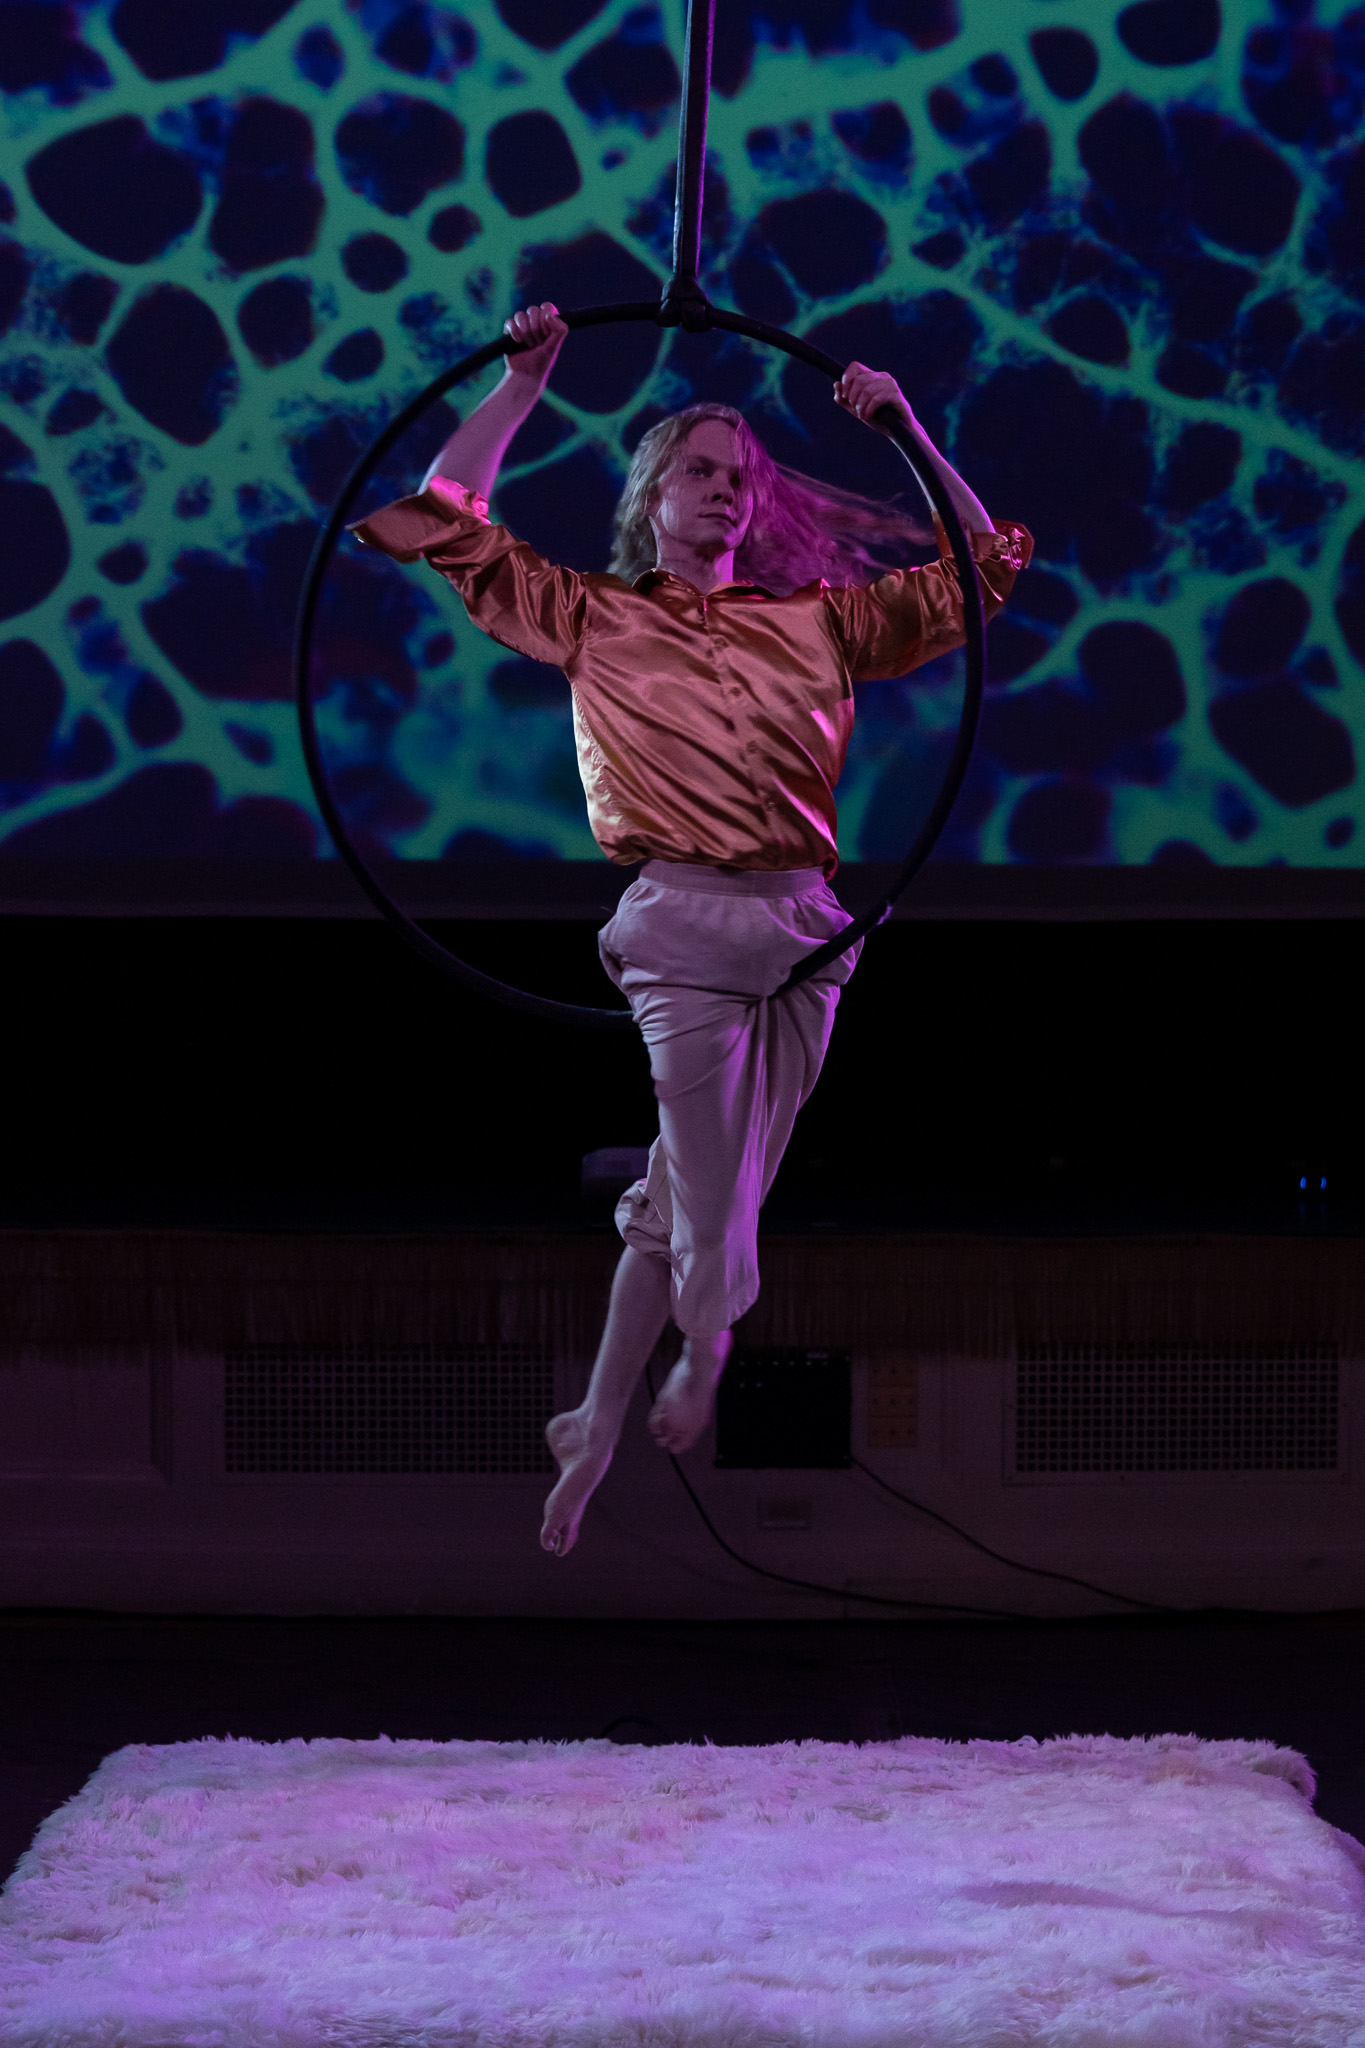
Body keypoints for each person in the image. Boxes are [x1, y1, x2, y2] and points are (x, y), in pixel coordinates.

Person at [351, 302, 1032, 1557]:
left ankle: (593, 1420)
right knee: (719, 1203)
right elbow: (448, 521)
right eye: (699, 472)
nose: (724, 491)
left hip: (810, 930)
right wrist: (522, 386)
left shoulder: (819, 622)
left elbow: (983, 569)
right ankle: (705, 1354)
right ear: (652, 493)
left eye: (740, 477)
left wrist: (908, 430)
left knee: (688, 1193)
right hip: (681, 930)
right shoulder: (592, 619)